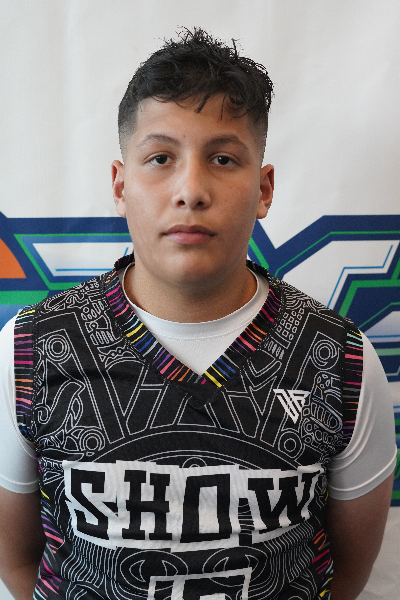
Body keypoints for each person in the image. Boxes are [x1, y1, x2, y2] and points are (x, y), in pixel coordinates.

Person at [0, 28, 396, 600]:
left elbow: (347, 574)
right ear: (120, 186)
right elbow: (17, 562)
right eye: (161, 158)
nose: (191, 190)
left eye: (223, 158)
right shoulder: (31, 350)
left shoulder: (342, 360)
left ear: (264, 189)